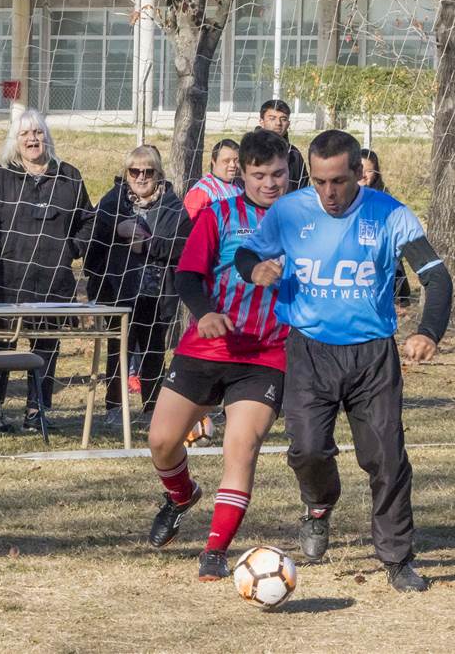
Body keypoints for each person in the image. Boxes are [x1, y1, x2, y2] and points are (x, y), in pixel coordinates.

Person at [235, 129, 453, 592]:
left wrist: (428, 331)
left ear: (359, 172)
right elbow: (248, 251)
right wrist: (255, 268)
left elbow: (436, 277)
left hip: (372, 355)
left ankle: (397, 559)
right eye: (318, 182)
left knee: (387, 457)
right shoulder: (290, 211)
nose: (328, 193)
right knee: (308, 449)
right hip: (309, 350)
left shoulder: (390, 214)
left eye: (338, 181)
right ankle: (318, 507)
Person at [145, 130, 291, 581]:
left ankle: (215, 551)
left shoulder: (305, 218)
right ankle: (182, 494)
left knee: (240, 445)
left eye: (279, 174)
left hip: (266, 353)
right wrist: (205, 313)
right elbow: (187, 277)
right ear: (241, 173)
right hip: (208, 346)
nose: (270, 183)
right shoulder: (219, 214)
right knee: (161, 442)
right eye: (259, 175)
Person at [0, 108, 95, 432]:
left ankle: (37, 412)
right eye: (25, 134)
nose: (33, 139)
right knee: (0, 345)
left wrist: (71, 249)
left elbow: (88, 221)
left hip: (51, 280)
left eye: (38, 132)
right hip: (7, 280)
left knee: (46, 345)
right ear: (14, 141)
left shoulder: (69, 177)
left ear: (47, 136)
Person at [85, 145, 191, 426]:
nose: (141, 177)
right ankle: (114, 408)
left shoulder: (173, 206)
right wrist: (117, 229)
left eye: (148, 171)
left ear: (158, 174)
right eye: (135, 171)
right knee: (119, 348)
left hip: (157, 291)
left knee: (154, 349)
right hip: (119, 288)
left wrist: (148, 244)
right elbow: (91, 237)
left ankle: (152, 407)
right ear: (126, 173)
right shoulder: (112, 202)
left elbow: (183, 247)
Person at [360, 148, 412, 304]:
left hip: (379, 250)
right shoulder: (344, 198)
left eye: (369, 171)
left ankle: (399, 297)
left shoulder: (383, 197)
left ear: (376, 173)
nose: (363, 175)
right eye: (360, 169)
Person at [257, 99, 309, 192]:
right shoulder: (249, 150)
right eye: (272, 118)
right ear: (261, 121)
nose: (278, 123)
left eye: (283, 119)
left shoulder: (294, 154)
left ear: (288, 123)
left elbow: (303, 188)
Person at [183, 139, 241, 221]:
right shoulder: (202, 191)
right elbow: (189, 227)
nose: (233, 165)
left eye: (236, 160)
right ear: (214, 161)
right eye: (226, 161)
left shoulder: (241, 185)